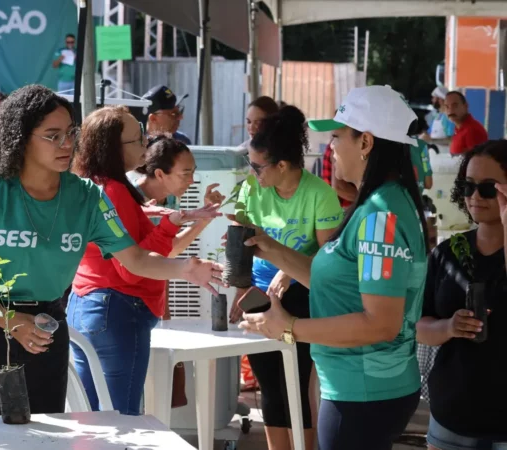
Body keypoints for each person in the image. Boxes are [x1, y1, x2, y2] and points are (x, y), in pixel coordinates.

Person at [0, 85, 223, 418]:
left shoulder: (88, 196)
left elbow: (133, 258)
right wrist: (9, 320)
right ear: (20, 137)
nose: (66, 144)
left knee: (42, 439)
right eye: (52, 135)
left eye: (70, 133)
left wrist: (182, 268)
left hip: (47, 330)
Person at [240, 85, 429, 450]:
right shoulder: (379, 203)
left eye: (338, 136)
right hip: (361, 390)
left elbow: (381, 323)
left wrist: (290, 328)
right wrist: (269, 247)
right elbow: (340, 287)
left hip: (364, 394)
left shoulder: (380, 214)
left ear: (366, 143)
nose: (330, 148)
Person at [68, 110, 223, 415]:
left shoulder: (95, 186)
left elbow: (143, 254)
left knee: (89, 419)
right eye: (138, 138)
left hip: (88, 306)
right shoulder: (114, 191)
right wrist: (172, 232)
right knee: (119, 419)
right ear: (113, 146)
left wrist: (178, 220)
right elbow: (131, 266)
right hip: (116, 310)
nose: (145, 143)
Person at [227, 105, 343, 450]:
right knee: (269, 386)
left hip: (302, 295)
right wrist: (241, 288)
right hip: (259, 293)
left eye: (257, 166)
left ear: (281, 165)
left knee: (296, 380)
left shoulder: (319, 194)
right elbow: (240, 236)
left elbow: (328, 259)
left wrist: (288, 273)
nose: (252, 173)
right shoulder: (252, 189)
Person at [417, 141, 507, 450]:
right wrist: (449, 328)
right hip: (452, 416)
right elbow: (420, 326)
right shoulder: (449, 253)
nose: (474, 197)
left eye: (487, 188)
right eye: (467, 186)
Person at [446, 91, 488, 156]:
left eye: (455, 105)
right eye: (447, 107)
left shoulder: (472, 130)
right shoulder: (459, 128)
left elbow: (475, 161)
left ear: (465, 106)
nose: (450, 110)